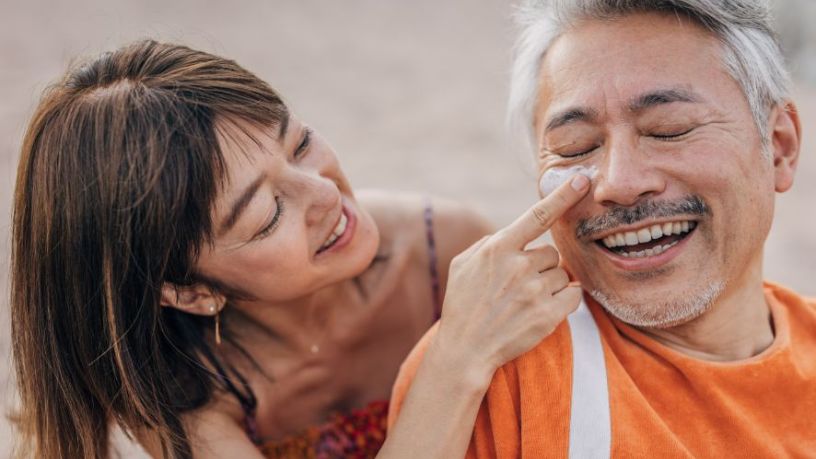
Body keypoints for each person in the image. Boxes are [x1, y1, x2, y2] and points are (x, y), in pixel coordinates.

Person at [10, 40, 586, 459]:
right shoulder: (181, 389)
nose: (323, 192)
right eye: (267, 215)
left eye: (301, 143)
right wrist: (457, 359)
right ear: (190, 290)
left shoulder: (443, 251)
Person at [390, 0, 815, 457]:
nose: (619, 184)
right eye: (576, 148)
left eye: (668, 130)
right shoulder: (487, 373)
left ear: (779, 148)